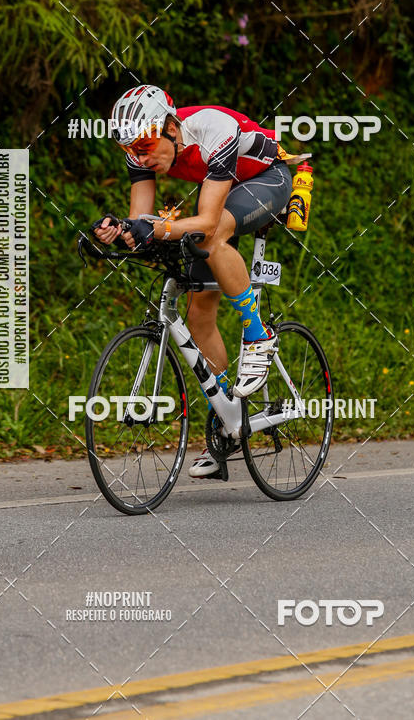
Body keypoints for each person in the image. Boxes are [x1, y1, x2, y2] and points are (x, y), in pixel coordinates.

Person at [93, 84, 293, 479]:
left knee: (212, 234)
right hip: (222, 189)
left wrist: (157, 229)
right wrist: (120, 230)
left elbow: (204, 222)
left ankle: (259, 336)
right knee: (199, 316)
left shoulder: (211, 129)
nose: (140, 156)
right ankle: (226, 424)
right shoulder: (145, 151)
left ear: (169, 126)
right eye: (130, 150)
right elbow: (143, 220)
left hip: (267, 179)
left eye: (146, 144)